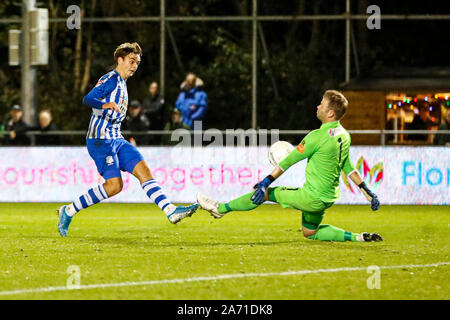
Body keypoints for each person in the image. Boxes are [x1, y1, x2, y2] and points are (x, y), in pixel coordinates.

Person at [197, 90, 383, 243]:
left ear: (330, 113)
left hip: (311, 197)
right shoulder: (344, 135)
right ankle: (359, 237)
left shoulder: (316, 137)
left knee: (267, 193)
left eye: (321, 104)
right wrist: (367, 191)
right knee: (310, 232)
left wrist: (265, 182)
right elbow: (349, 167)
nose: (317, 106)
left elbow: (288, 161)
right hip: (328, 198)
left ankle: (219, 208)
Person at [56, 42, 198, 237]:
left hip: (116, 138)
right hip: (100, 140)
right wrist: (105, 104)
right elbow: (87, 99)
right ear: (120, 60)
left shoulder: (123, 82)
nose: (134, 66)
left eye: (137, 63)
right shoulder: (111, 79)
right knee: (115, 186)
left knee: (144, 170)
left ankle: (170, 211)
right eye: (131, 61)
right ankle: (69, 210)